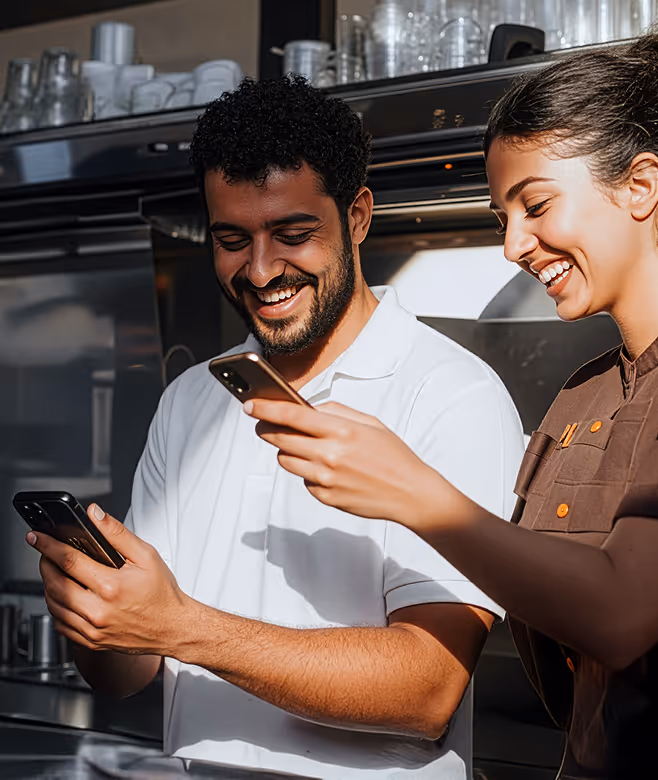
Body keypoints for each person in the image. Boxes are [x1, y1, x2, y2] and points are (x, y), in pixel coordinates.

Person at [241, 28, 658, 780]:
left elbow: (622, 615)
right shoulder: (584, 390)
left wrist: (414, 494)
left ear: (640, 185)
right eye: (502, 216)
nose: (514, 245)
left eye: (535, 204)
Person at [28, 77, 524, 779]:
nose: (260, 271)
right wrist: (98, 613)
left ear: (356, 217)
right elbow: (127, 675)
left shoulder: (450, 393)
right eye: (232, 239)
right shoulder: (190, 401)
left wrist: (182, 627)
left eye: (292, 234)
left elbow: (427, 689)